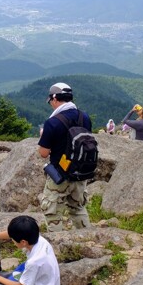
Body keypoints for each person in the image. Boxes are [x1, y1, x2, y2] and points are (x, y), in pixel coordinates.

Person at [37, 82, 92, 228]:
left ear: (54, 98)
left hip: (60, 173)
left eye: (51, 102)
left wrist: (43, 136)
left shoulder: (52, 122)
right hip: (81, 171)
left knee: (52, 210)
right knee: (78, 208)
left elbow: (43, 153)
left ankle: (58, 243)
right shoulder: (84, 117)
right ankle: (86, 238)